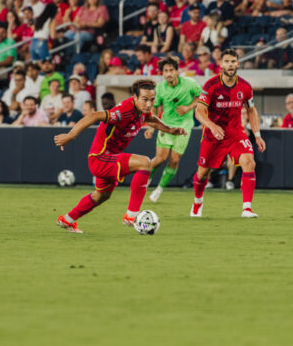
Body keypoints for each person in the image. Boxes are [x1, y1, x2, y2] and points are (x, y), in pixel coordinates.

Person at [54, 79, 186, 233]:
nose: (149, 104)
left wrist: (170, 130)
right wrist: (71, 135)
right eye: (145, 99)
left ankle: (67, 220)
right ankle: (132, 215)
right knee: (145, 162)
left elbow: (150, 118)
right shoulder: (124, 111)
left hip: (110, 158)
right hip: (100, 157)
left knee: (102, 196)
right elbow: (95, 116)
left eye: (152, 100)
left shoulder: (142, 111)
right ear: (135, 98)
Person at [190, 49, 266, 218]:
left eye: (233, 61)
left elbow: (251, 110)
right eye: (227, 61)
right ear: (221, 64)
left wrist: (257, 135)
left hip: (235, 133)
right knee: (202, 173)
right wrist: (211, 126)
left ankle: (247, 208)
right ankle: (197, 202)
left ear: (238, 64)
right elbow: (199, 112)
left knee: (249, 162)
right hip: (213, 134)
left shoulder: (245, 86)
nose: (230, 65)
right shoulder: (211, 85)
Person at [145, 57, 202, 203]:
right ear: (162, 73)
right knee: (160, 159)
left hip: (184, 127)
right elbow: (155, 109)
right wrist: (152, 128)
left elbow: (202, 97)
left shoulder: (190, 84)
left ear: (177, 71)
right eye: (166, 71)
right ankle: (146, 180)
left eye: (171, 70)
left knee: (174, 160)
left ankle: (159, 189)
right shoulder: (160, 88)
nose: (169, 73)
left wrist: (188, 107)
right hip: (166, 126)